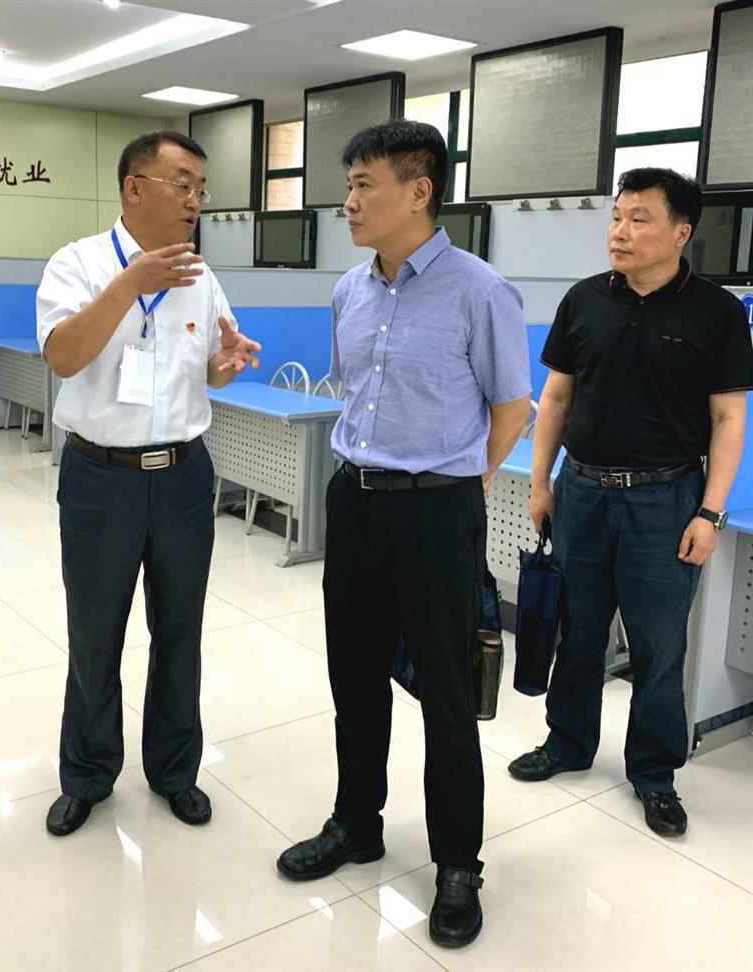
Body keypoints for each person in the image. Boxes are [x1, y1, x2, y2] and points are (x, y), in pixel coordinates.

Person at [276, 120, 531, 949]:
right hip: (354, 500)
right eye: (348, 184)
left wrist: (465, 481)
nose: (347, 202)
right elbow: (355, 392)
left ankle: (458, 864)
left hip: (435, 511)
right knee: (354, 678)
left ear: (420, 191)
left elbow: (513, 407)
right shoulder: (350, 291)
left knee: (447, 694)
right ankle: (357, 824)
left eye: (364, 185)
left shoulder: (480, 291)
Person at [508, 168, 753, 839]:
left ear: (681, 232)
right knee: (579, 630)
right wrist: (541, 482)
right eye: (616, 216)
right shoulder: (584, 300)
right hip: (583, 491)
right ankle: (568, 743)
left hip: (666, 500)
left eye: (639, 218)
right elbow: (556, 398)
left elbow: (729, 418)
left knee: (658, 644)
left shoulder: (716, 312)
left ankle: (654, 772)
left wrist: (709, 513)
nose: (619, 231)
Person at [36, 130, 261, 837]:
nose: (195, 201)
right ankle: (87, 775)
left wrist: (226, 362)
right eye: (182, 184)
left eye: (201, 189)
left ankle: (174, 771)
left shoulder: (202, 275)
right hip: (101, 478)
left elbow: (207, 370)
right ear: (135, 187)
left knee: (180, 633)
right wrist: (128, 286)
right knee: (95, 634)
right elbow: (63, 356)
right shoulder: (77, 264)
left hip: (184, 477)